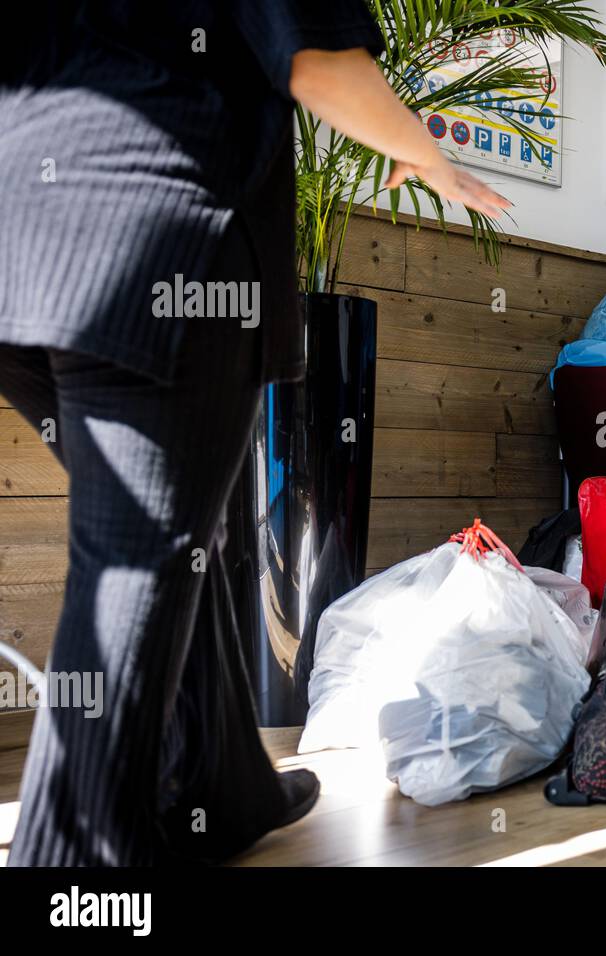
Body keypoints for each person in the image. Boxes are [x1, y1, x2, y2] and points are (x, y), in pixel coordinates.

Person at [0, 1, 508, 866]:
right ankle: (69, 869)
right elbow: (317, 62)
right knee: (139, 556)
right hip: (148, 236)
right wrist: (425, 154)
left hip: (20, 240)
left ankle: (217, 779)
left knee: (197, 530)